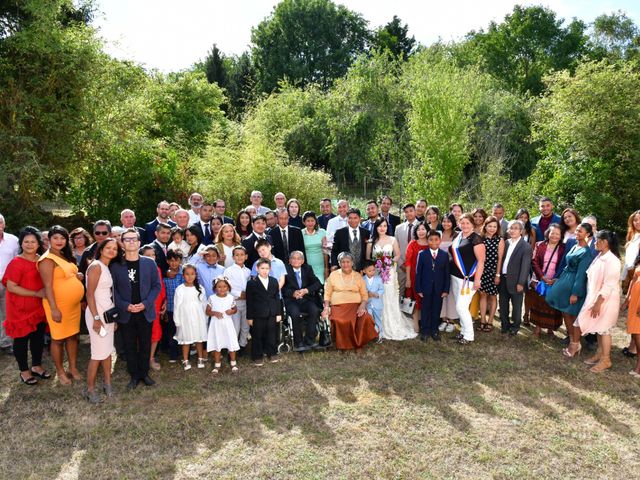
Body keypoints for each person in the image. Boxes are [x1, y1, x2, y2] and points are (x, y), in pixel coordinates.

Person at [110, 228, 162, 390]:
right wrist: (126, 305)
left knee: (145, 344)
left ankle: (144, 373)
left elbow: (156, 286)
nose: (131, 242)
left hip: (145, 311)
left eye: (134, 239)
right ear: (122, 243)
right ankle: (133, 375)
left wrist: (145, 303)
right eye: (127, 239)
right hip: (126, 312)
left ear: (139, 243)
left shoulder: (149, 263)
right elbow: (113, 290)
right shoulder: (116, 265)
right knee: (130, 345)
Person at [38, 226, 85, 384]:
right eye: (56, 238)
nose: (59, 241)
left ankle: (72, 367)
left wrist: (77, 275)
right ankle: (60, 372)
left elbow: (66, 274)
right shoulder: (47, 259)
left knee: (72, 336)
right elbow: (48, 286)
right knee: (58, 339)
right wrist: (54, 309)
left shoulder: (65, 255)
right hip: (57, 305)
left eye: (63, 238)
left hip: (73, 306)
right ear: (49, 240)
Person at [2, 227, 48, 385]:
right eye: (26, 241)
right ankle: (24, 370)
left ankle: (36, 366)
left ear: (38, 243)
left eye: (33, 241)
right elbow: (11, 286)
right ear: (21, 243)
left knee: (38, 338)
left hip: (38, 307)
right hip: (19, 307)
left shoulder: (42, 260)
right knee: (21, 340)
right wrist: (36, 293)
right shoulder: (16, 262)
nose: (29, 244)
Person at [575, 230, 621, 372]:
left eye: (596, 240)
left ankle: (606, 359)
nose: (594, 243)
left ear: (605, 242)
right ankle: (600, 354)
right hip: (596, 297)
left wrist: (598, 303)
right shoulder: (600, 256)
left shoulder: (612, 261)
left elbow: (608, 285)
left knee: (604, 329)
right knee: (599, 328)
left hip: (605, 300)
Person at [545, 222, 593, 357]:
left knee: (572, 314)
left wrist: (575, 293)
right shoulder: (574, 245)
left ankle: (575, 343)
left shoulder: (586, 252)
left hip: (574, 284)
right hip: (565, 279)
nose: (577, 233)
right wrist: (558, 278)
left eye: (580, 231)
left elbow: (581, 274)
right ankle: (572, 340)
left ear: (587, 234)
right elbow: (567, 265)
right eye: (576, 230)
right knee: (565, 313)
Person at [84, 238, 121, 403]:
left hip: (107, 315)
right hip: (96, 315)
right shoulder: (96, 266)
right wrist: (97, 318)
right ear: (101, 248)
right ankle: (90, 389)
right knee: (97, 354)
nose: (112, 250)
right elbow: (89, 294)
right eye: (108, 247)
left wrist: (112, 318)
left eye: (115, 248)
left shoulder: (106, 266)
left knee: (107, 352)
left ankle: (107, 383)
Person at [368, 218, 417, 340]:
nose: (382, 228)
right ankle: (377, 323)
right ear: (376, 227)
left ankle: (391, 323)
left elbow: (398, 255)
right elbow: (368, 259)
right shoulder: (371, 241)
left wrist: (388, 262)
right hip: (376, 273)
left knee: (389, 295)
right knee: (377, 296)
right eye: (380, 226)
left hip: (389, 273)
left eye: (384, 226)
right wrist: (377, 264)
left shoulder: (392, 239)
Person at [323, 252, 378, 351]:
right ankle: (344, 345)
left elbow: (364, 294)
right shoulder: (333, 275)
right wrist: (326, 307)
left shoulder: (358, 276)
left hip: (356, 306)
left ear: (352, 263)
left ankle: (359, 342)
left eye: (348, 262)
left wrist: (362, 305)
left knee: (365, 318)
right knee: (340, 321)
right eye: (343, 262)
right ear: (339, 264)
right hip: (338, 306)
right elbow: (327, 293)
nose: (345, 264)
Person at [449, 213, 486, 344]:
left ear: (473, 225)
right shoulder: (458, 236)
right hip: (455, 276)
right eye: (462, 223)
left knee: (461, 307)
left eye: (467, 223)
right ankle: (463, 332)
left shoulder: (476, 239)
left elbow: (481, 261)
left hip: (468, 279)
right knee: (460, 306)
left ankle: (469, 336)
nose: (465, 225)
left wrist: (478, 280)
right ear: (459, 223)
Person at [529, 224, 566, 337]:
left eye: (557, 234)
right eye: (552, 233)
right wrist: (542, 277)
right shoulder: (539, 245)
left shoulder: (563, 248)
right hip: (540, 280)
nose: (554, 235)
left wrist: (555, 279)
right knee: (538, 303)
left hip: (555, 280)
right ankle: (538, 327)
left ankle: (551, 328)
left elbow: (564, 264)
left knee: (552, 305)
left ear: (561, 236)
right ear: (548, 233)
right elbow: (534, 262)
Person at [282, 251, 322, 352]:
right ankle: (298, 341)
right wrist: (292, 293)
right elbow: (281, 288)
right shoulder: (285, 270)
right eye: (293, 258)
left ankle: (310, 339)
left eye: (298, 258)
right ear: (289, 261)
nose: (296, 260)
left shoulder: (307, 268)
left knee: (314, 310)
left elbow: (318, 283)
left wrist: (306, 290)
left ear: (302, 261)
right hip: (291, 300)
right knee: (294, 313)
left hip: (305, 299)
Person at [498, 221, 533, 335]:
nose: (513, 230)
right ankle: (505, 324)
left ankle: (515, 326)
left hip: (516, 281)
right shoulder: (505, 243)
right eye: (510, 228)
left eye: (516, 228)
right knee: (503, 304)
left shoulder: (525, 246)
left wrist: (521, 283)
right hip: (503, 278)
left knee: (516, 306)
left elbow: (525, 267)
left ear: (521, 231)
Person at [415, 230, 450, 342]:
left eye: (436, 239)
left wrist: (446, 289)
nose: (434, 241)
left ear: (440, 241)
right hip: (425, 288)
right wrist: (418, 288)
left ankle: (434, 330)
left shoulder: (444, 255)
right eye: (431, 239)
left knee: (436, 309)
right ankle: (425, 330)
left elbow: (446, 274)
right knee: (425, 309)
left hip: (439, 289)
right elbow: (418, 272)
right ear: (427, 241)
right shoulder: (422, 254)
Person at [246, 258, 282, 365]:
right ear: (257, 269)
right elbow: (249, 301)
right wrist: (250, 317)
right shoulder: (252, 283)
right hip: (258, 314)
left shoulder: (274, 281)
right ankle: (257, 355)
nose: (264, 270)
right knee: (257, 335)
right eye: (262, 268)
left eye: (267, 268)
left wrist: (279, 313)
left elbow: (277, 298)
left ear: (270, 269)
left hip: (272, 312)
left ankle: (272, 352)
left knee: (272, 333)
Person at [173, 264, 208, 371]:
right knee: (186, 339)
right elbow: (176, 306)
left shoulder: (200, 288)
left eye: (192, 274)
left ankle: (200, 358)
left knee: (199, 338)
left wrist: (205, 319)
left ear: (195, 275)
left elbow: (204, 304)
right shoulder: (180, 289)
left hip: (198, 317)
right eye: (187, 274)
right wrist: (177, 321)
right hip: (185, 318)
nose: (190, 276)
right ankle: (185, 359)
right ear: (183, 275)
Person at [139, 246, 166, 372]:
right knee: (141, 333)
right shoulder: (138, 269)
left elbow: (160, 286)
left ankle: (151, 358)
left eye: (153, 255)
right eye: (147, 255)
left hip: (156, 305)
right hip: (143, 305)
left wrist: (164, 301)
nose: (151, 258)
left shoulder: (158, 269)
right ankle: (141, 358)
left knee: (155, 332)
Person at [206, 277, 239, 374]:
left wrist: (232, 311)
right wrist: (214, 313)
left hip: (228, 324)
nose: (222, 289)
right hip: (216, 325)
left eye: (225, 286)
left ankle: (233, 362)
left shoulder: (230, 298)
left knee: (231, 342)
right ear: (215, 288)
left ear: (228, 287)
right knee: (217, 343)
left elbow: (235, 309)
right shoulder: (212, 298)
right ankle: (217, 364)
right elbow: (207, 311)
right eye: (219, 287)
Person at [478, 216, 505, 332]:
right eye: (490, 226)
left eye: (495, 226)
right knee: (483, 295)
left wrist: (498, 275)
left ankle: (490, 321)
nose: (492, 228)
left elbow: (500, 259)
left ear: (497, 228)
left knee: (493, 296)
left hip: (494, 272)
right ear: (485, 226)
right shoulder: (480, 239)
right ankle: (483, 319)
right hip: (482, 271)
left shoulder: (500, 240)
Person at [224, 246, 251, 353]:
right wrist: (239, 294)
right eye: (237, 255)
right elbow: (226, 288)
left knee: (245, 325)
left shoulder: (248, 271)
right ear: (233, 257)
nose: (239, 257)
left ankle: (242, 345)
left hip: (247, 303)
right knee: (235, 326)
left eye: (242, 255)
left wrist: (247, 294)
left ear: (246, 256)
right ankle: (232, 347)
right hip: (235, 303)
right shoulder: (228, 271)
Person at [0, 213, 20, 354]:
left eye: (0, 222)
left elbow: (17, 261)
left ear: (4, 224)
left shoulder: (13, 240)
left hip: (7, 283)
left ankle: (5, 343)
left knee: (7, 314)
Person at [404, 222, 430, 332]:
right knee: (414, 301)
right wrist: (408, 279)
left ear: (427, 230)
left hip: (428, 277)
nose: (421, 231)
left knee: (426, 300)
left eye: (423, 229)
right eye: (418, 229)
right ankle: (416, 324)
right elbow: (408, 262)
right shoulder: (413, 243)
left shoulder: (431, 243)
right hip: (414, 277)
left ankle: (425, 323)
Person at [331, 208, 370, 273]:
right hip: (344, 269)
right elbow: (334, 251)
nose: (353, 220)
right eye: (350, 218)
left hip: (361, 270)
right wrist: (334, 265)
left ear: (359, 218)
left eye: (355, 218)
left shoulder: (366, 232)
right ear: (347, 218)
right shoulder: (340, 233)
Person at [438, 213, 459, 333]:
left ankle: (451, 320)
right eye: (444, 221)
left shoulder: (457, 235)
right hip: (439, 269)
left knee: (451, 294)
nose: (446, 224)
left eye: (449, 221)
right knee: (442, 294)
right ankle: (443, 318)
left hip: (452, 269)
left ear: (453, 223)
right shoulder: (439, 234)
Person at [162, 250, 183, 363]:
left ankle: (184, 352)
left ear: (180, 261)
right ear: (167, 261)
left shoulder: (183, 274)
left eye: (176, 260)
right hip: (170, 309)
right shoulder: (165, 276)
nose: (174, 263)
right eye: (171, 261)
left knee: (182, 330)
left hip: (182, 308)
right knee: (172, 331)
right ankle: (173, 354)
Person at [395, 203, 419, 295]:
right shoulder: (398, 228)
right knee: (401, 290)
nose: (409, 213)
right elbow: (396, 247)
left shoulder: (422, 226)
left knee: (416, 290)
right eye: (406, 212)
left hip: (416, 265)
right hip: (402, 265)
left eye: (411, 211)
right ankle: (400, 309)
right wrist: (401, 264)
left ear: (415, 212)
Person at [623, 252, 640, 377]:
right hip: (634, 300)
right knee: (635, 333)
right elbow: (633, 281)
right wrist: (627, 300)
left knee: (638, 334)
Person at [301, 211, 328, 284]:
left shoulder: (322, 232)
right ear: (304, 222)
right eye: (308, 221)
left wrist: (326, 267)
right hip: (307, 265)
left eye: (312, 221)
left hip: (320, 264)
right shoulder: (301, 233)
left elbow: (325, 251)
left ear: (315, 221)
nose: (310, 223)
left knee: (321, 284)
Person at [363, 260, 384, 339]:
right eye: (369, 271)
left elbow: (382, 289)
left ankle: (380, 334)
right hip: (367, 304)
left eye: (373, 270)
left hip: (377, 303)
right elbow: (361, 290)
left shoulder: (378, 279)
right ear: (364, 271)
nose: (372, 272)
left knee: (378, 319)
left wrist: (377, 294)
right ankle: (370, 333)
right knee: (369, 318)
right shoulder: (362, 279)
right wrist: (367, 293)